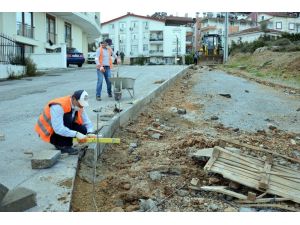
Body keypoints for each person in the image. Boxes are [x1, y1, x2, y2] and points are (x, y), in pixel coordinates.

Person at [35, 90, 94, 155]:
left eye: (82, 105)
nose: (81, 106)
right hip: (50, 131)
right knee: (67, 118)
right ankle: (62, 145)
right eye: (80, 104)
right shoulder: (58, 106)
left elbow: (87, 122)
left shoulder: (78, 105)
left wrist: (89, 132)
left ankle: (66, 140)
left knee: (83, 130)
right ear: (74, 99)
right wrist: (76, 134)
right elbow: (58, 129)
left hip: (62, 126)